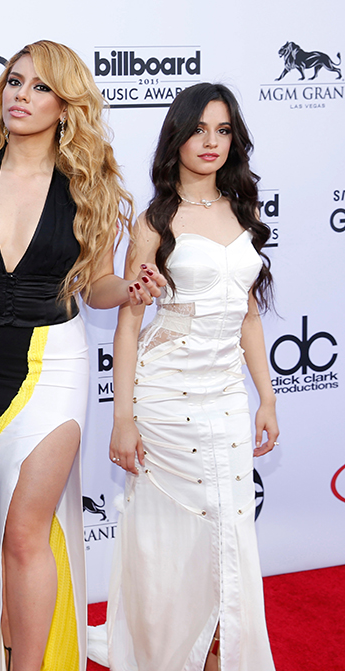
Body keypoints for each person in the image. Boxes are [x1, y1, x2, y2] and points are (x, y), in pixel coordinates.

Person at [0, 40, 162, 671]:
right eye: (13, 83)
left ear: (66, 106)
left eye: (38, 87)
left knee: (24, 530)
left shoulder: (92, 187)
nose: (20, 96)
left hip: (51, 364)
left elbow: (96, 287)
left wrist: (131, 289)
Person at [105, 82, 278, 671]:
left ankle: (221, 653)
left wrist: (268, 397)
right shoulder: (155, 219)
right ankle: (170, 651)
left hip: (226, 390)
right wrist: (121, 418)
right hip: (165, 393)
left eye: (223, 130)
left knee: (229, 531)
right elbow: (129, 324)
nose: (211, 142)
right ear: (177, 136)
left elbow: (249, 314)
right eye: (199, 129)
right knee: (170, 537)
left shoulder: (244, 210)